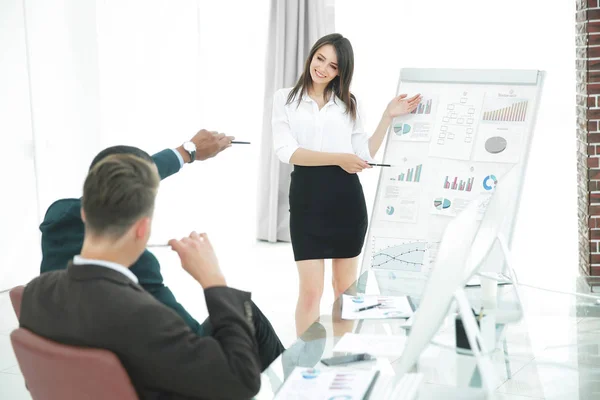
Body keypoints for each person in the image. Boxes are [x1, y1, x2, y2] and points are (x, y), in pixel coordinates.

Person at [21, 153, 264, 399]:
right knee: (247, 318)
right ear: (143, 228)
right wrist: (214, 282)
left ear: (84, 214)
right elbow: (242, 381)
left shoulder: (34, 293)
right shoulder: (145, 315)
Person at [271, 33, 421, 335]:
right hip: (307, 202)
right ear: (311, 56)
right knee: (311, 292)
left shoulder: (349, 103)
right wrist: (339, 158)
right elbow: (287, 152)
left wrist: (387, 116)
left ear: (342, 71)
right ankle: (305, 364)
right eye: (320, 59)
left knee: (345, 290)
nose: (323, 68)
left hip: (346, 202)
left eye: (333, 65)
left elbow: (363, 154)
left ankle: (343, 358)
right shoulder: (285, 98)